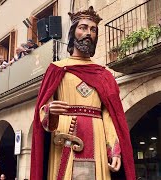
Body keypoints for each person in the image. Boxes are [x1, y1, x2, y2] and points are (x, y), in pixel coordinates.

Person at [30, 6, 135, 180]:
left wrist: (115, 151)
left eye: (93, 29)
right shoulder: (56, 69)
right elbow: (42, 111)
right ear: (73, 32)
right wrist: (49, 111)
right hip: (64, 135)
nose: (88, 33)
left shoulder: (103, 74)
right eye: (83, 28)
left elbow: (110, 115)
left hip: (96, 135)